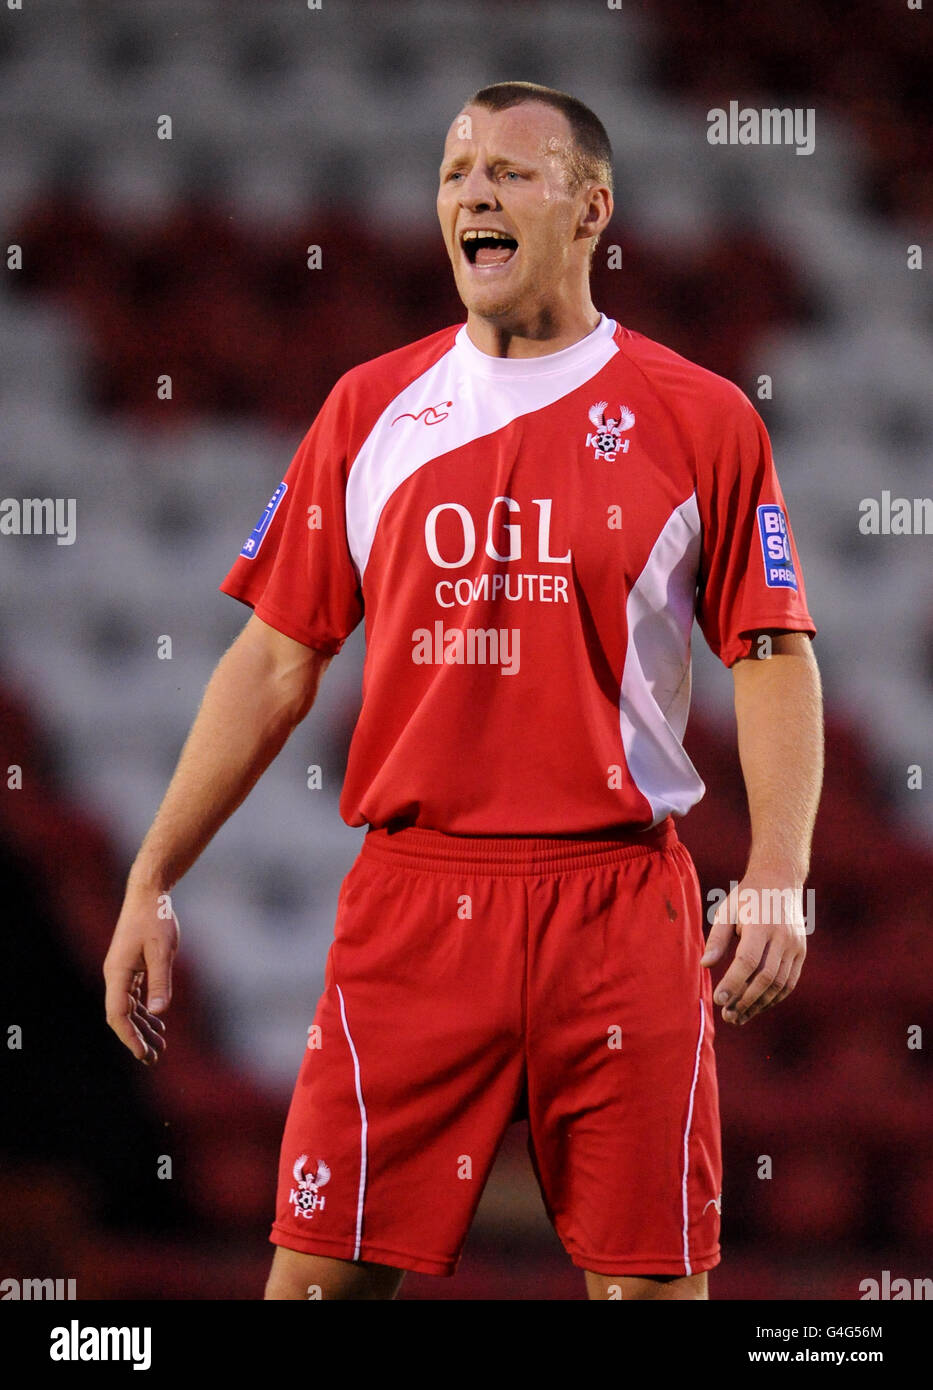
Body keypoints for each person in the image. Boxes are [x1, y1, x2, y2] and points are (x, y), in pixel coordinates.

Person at [104, 81, 823, 1301]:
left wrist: (779, 875)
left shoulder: (700, 417)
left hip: (617, 902)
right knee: (315, 1292)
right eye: (454, 173)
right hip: (415, 901)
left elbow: (772, 651)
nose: (473, 192)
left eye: (511, 171)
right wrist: (151, 872)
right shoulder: (367, 410)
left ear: (591, 209)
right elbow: (276, 661)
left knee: (653, 1293)